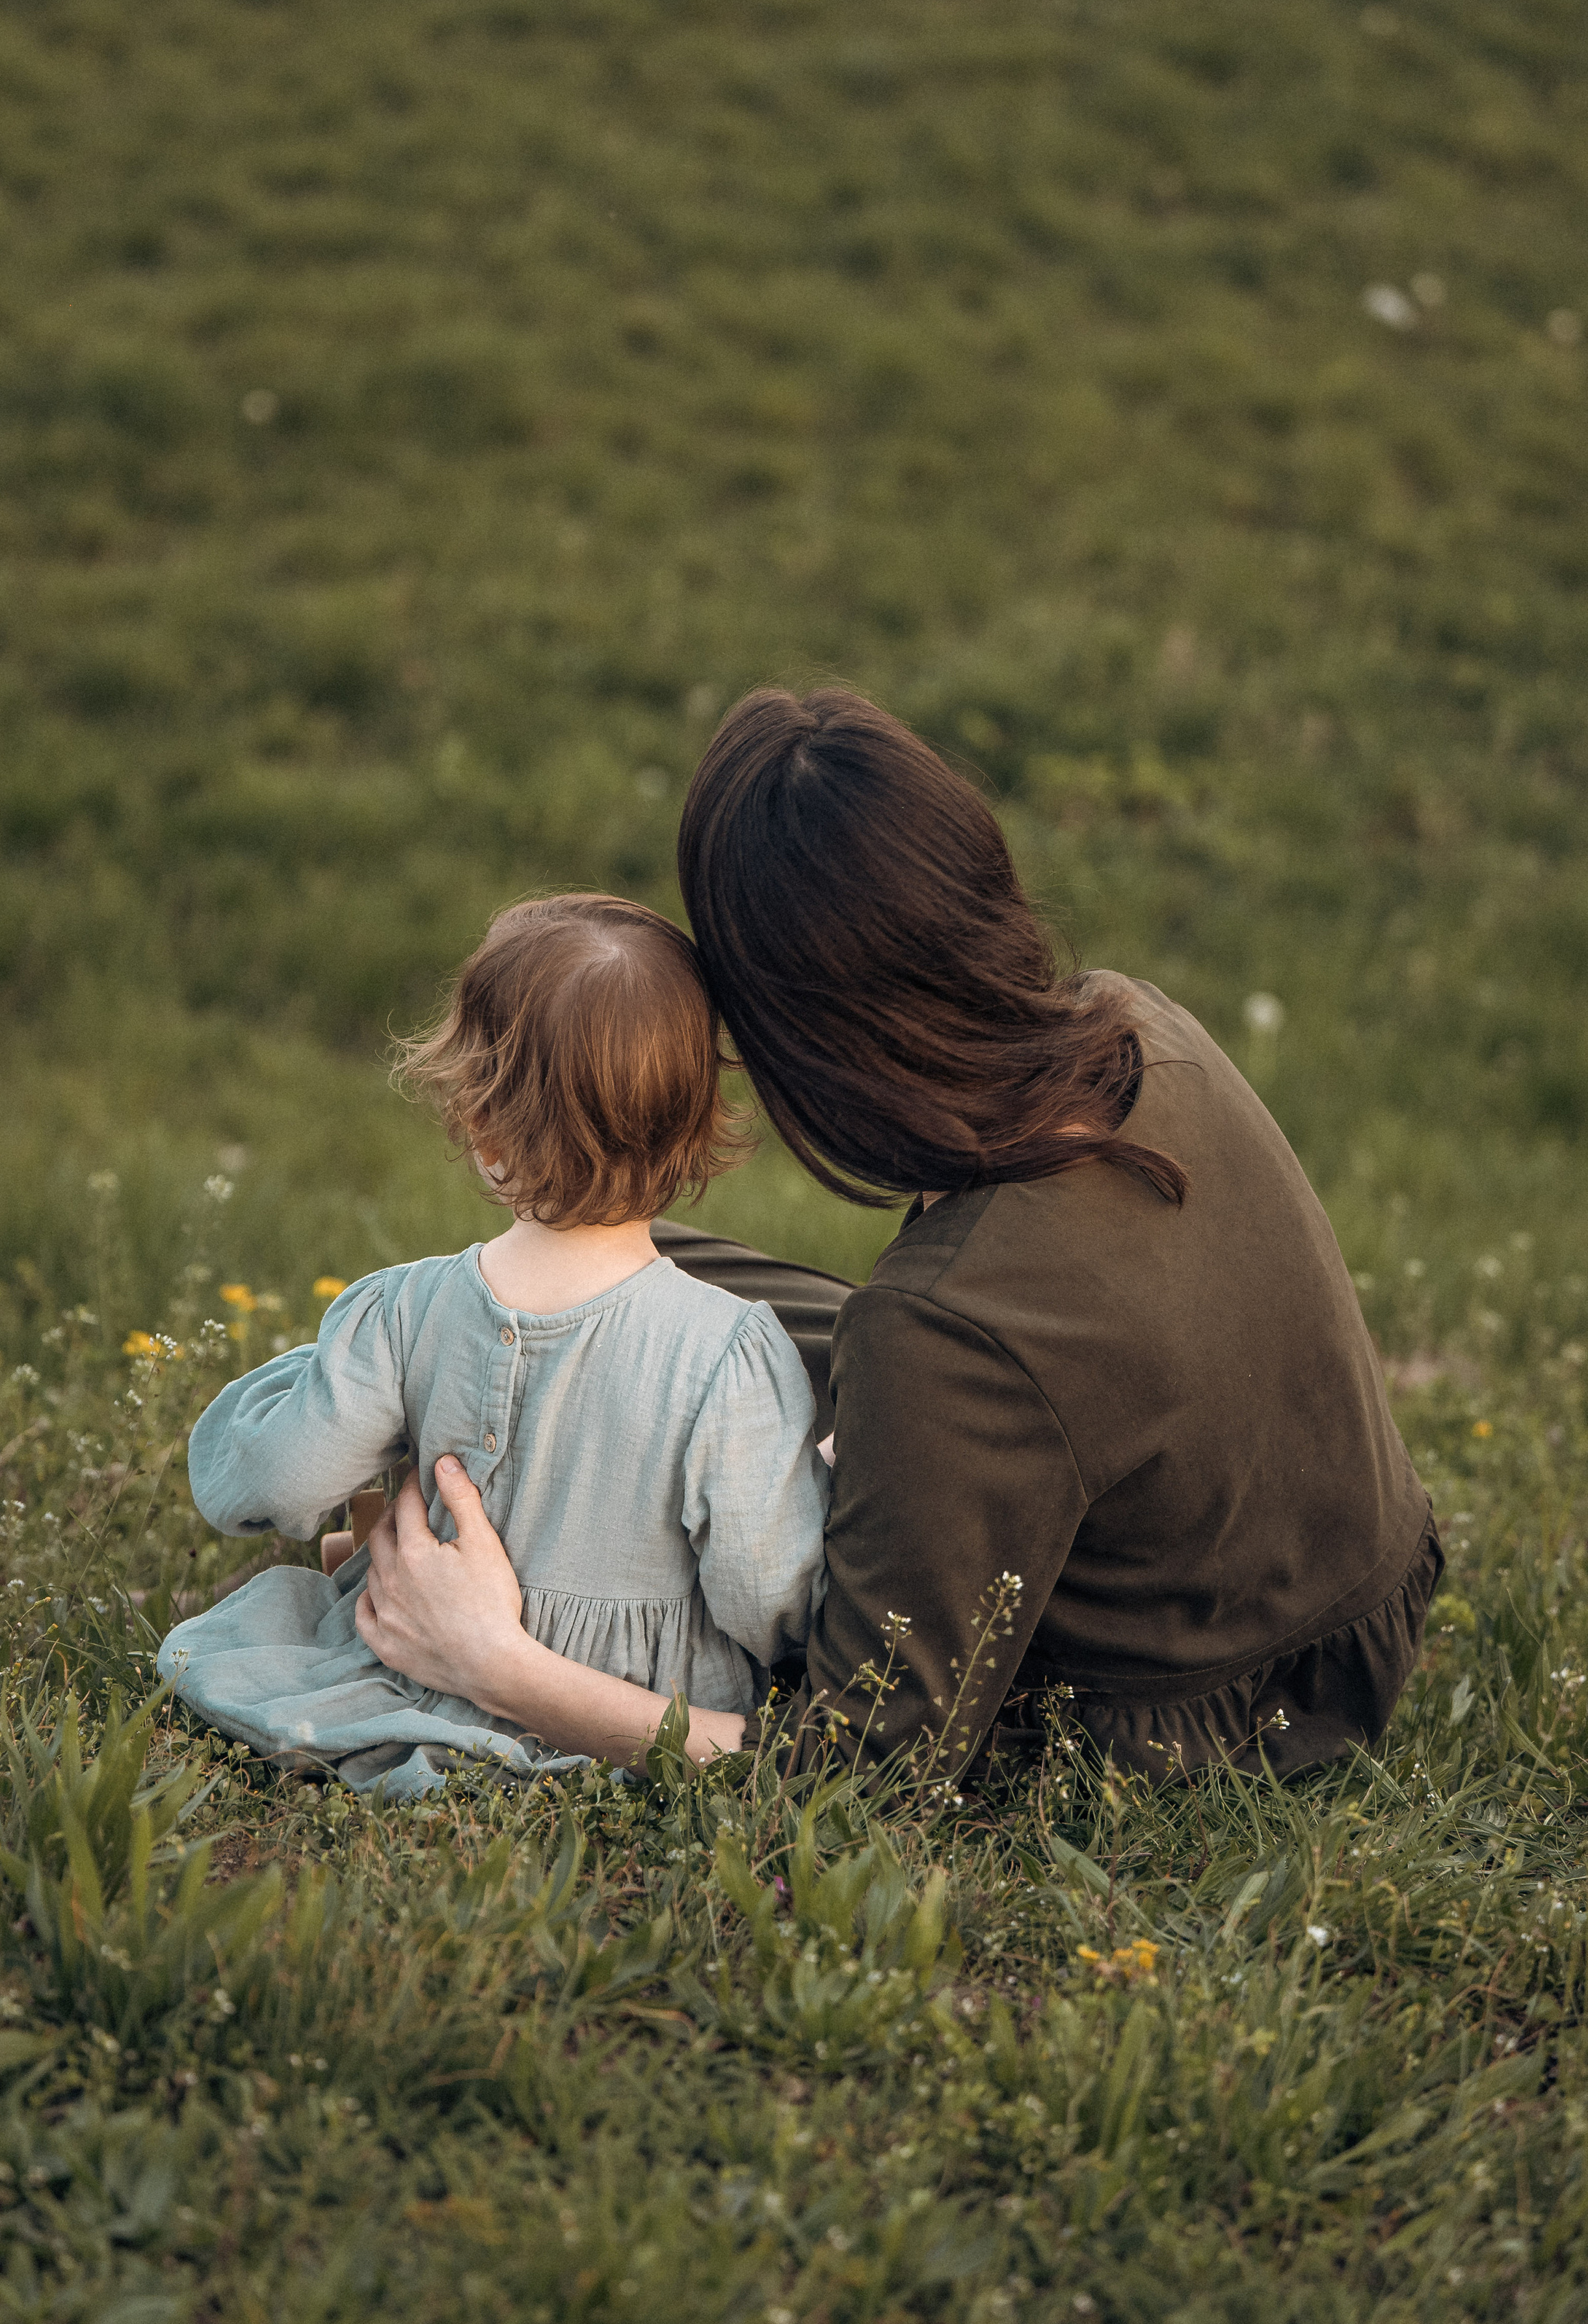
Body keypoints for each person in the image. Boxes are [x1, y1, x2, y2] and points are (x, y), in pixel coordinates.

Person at [352, 688, 1442, 1787]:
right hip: (1343, 1586)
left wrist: (497, 1665)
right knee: (635, 1272)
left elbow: (859, 1770)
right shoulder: (1134, 1021)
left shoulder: (946, 1335)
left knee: (691, 1345)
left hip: (1222, 1708)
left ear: (799, 1026)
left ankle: (478, 1574)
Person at [157, 894, 827, 1796]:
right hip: (624, 1716)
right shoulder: (728, 1353)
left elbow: (277, 1478)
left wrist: (290, 1393)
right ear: (698, 1120)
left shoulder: (405, 1309)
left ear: (481, 1126)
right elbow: (769, 1597)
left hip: (408, 1671)